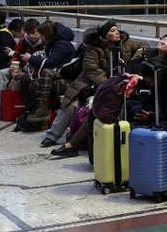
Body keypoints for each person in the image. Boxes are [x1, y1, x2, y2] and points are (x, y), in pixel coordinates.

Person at [45, 21, 119, 150]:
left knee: (92, 107)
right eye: (112, 30)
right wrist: (107, 84)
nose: (117, 32)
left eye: (117, 30)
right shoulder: (93, 49)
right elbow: (91, 69)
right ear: (104, 35)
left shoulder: (123, 46)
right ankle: (52, 136)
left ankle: (75, 141)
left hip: (112, 87)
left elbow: (138, 49)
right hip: (87, 85)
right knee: (70, 105)